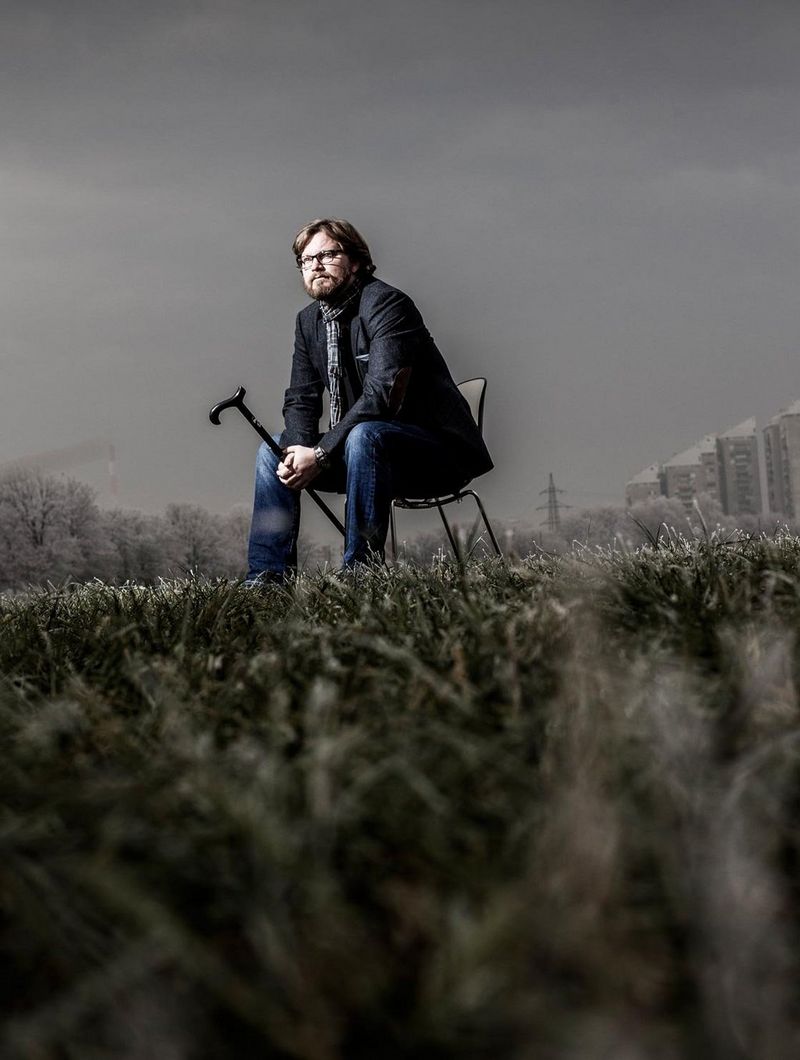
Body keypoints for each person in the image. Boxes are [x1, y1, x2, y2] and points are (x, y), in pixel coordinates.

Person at [246, 218, 493, 581]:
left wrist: (322, 452)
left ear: (357, 260)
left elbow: (381, 395)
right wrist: (299, 448)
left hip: (434, 453)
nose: (315, 265)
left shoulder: (388, 305)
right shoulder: (308, 322)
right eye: (306, 259)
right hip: (362, 452)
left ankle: (360, 575)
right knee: (272, 453)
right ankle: (266, 580)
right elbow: (301, 397)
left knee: (367, 434)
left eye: (327, 254)